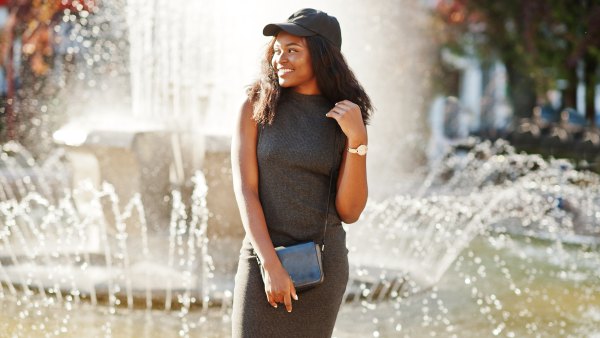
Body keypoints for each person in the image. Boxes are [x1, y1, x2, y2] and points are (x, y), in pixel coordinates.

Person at [230, 8, 373, 338]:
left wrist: (358, 140)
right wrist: (269, 264)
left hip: (322, 266)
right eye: (278, 50)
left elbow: (350, 212)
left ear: (322, 56)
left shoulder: (345, 117)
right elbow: (246, 190)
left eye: (293, 50)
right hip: (262, 257)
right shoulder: (255, 104)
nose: (281, 58)